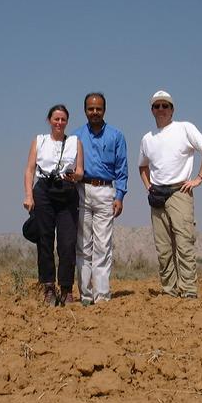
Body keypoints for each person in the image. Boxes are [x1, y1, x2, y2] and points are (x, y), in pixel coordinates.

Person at [138, 90, 202, 299]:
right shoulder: (147, 139)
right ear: (152, 110)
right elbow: (142, 167)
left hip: (180, 192)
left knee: (184, 243)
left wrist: (198, 179)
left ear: (172, 109)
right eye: (157, 106)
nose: (161, 109)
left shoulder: (185, 128)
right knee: (163, 248)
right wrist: (148, 187)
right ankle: (169, 290)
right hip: (157, 196)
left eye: (165, 105)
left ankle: (189, 290)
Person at [24, 104, 84, 306]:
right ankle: (48, 287)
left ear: (67, 122)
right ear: (49, 120)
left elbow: (81, 171)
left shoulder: (75, 142)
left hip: (67, 192)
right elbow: (30, 170)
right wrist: (29, 196)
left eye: (63, 119)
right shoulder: (39, 141)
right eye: (56, 119)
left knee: (67, 243)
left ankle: (66, 288)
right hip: (43, 192)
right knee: (45, 241)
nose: (59, 123)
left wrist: (74, 175)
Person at [73, 93, 128, 305]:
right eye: (90, 109)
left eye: (98, 109)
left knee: (103, 246)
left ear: (104, 110)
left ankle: (102, 296)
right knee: (83, 245)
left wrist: (120, 196)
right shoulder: (75, 136)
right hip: (81, 191)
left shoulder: (116, 136)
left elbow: (122, 169)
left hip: (106, 191)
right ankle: (85, 296)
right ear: (85, 110)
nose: (94, 112)